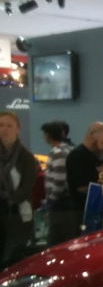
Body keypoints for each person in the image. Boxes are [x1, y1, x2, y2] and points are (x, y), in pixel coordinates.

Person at [0, 111, 37, 265]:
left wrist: (8, 201)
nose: (5, 129)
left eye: (9, 125)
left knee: (13, 259)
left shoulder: (26, 157)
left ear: (18, 128)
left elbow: (27, 187)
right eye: (1, 125)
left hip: (19, 215)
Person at [41, 121, 77, 245]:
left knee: (56, 237)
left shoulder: (58, 152)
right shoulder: (66, 149)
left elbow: (60, 178)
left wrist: (52, 198)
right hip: (63, 200)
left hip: (60, 201)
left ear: (48, 136)